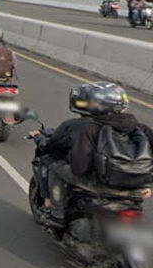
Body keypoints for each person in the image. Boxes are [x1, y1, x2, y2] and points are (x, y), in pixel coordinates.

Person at [30, 82, 153, 225]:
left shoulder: (80, 126)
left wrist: (38, 138)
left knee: (53, 165)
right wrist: (147, 185)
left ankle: (57, 214)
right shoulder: (141, 128)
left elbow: (58, 150)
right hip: (136, 187)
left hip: (99, 183)